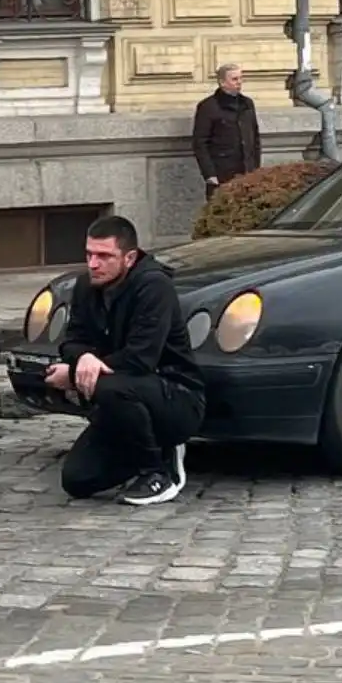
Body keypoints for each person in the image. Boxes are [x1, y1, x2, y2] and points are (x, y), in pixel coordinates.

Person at [45, 215, 206, 506]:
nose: (94, 264)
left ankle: (157, 472)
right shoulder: (86, 286)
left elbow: (140, 358)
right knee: (77, 480)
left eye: (105, 256)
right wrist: (83, 357)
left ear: (130, 258)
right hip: (119, 398)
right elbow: (71, 341)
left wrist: (74, 375)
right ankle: (148, 446)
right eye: (89, 254)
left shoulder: (154, 287)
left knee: (109, 386)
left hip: (175, 396)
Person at [191, 63, 262, 199]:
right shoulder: (209, 107)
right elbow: (200, 143)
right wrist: (209, 174)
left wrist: (256, 168)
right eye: (234, 79)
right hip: (222, 172)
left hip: (247, 171)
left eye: (241, 78)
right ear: (222, 82)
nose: (239, 82)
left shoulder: (247, 104)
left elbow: (255, 138)